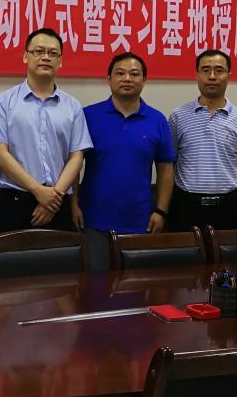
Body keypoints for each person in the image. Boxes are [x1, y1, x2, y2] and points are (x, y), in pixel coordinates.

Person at [72, 52, 175, 270]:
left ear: (144, 80)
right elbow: (73, 163)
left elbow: (166, 168)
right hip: (93, 220)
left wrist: (161, 211)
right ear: (108, 79)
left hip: (141, 221)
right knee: (95, 284)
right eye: (120, 73)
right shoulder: (88, 116)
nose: (127, 78)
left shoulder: (157, 120)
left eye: (134, 74)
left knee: (135, 285)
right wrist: (73, 204)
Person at [0, 28, 92, 232]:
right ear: (26, 56)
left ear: (60, 61)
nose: (46, 57)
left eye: (53, 53)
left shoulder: (72, 106)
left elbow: (76, 157)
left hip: (59, 202)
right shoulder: (3, 102)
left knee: (63, 254)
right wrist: (38, 191)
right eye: (39, 51)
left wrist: (53, 197)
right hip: (16, 203)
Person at [167, 49, 237, 232]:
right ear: (197, 74)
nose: (212, 76)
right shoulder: (178, 116)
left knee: (228, 252)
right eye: (205, 70)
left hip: (229, 207)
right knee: (187, 251)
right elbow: (169, 165)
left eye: (219, 70)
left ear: (229, 75)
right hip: (186, 206)